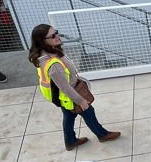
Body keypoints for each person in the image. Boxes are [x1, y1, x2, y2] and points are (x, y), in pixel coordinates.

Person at [29, 23, 122, 151]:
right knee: (89, 113)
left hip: (62, 98)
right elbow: (65, 88)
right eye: (52, 36)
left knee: (69, 117)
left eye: (56, 32)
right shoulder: (53, 65)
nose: (57, 36)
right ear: (42, 41)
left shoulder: (46, 54)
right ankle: (103, 135)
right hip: (70, 96)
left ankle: (70, 141)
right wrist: (81, 100)